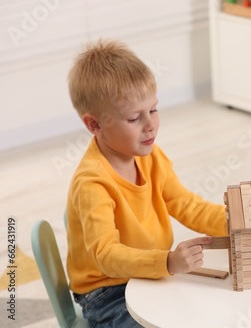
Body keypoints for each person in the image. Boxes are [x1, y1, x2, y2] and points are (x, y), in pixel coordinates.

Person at [65, 39, 227, 327]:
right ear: (94, 125)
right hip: (106, 291)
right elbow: (105, 255)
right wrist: (166, 262)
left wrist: (233, 221)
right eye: (134, 118)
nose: (150, 124)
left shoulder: (150, 156)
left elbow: (186, 204)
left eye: (153, 110)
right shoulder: (92, 182)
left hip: (151, 273)